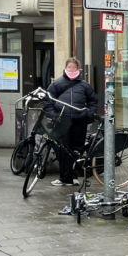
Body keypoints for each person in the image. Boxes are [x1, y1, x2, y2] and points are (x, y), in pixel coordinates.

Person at [44, 58, 97, 186]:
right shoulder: (57, 83)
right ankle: (64, 178)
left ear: (78, 69)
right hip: (63, 121)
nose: (72, 70)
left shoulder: (84, 85)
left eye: (74, 67)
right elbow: (47, 100)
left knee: (76, 149)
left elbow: (93, 102)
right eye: (70, 67)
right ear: (65, 67)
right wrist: (55, 115)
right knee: (63, 149)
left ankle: (73, 177)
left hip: (79, 122)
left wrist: (88, 114)